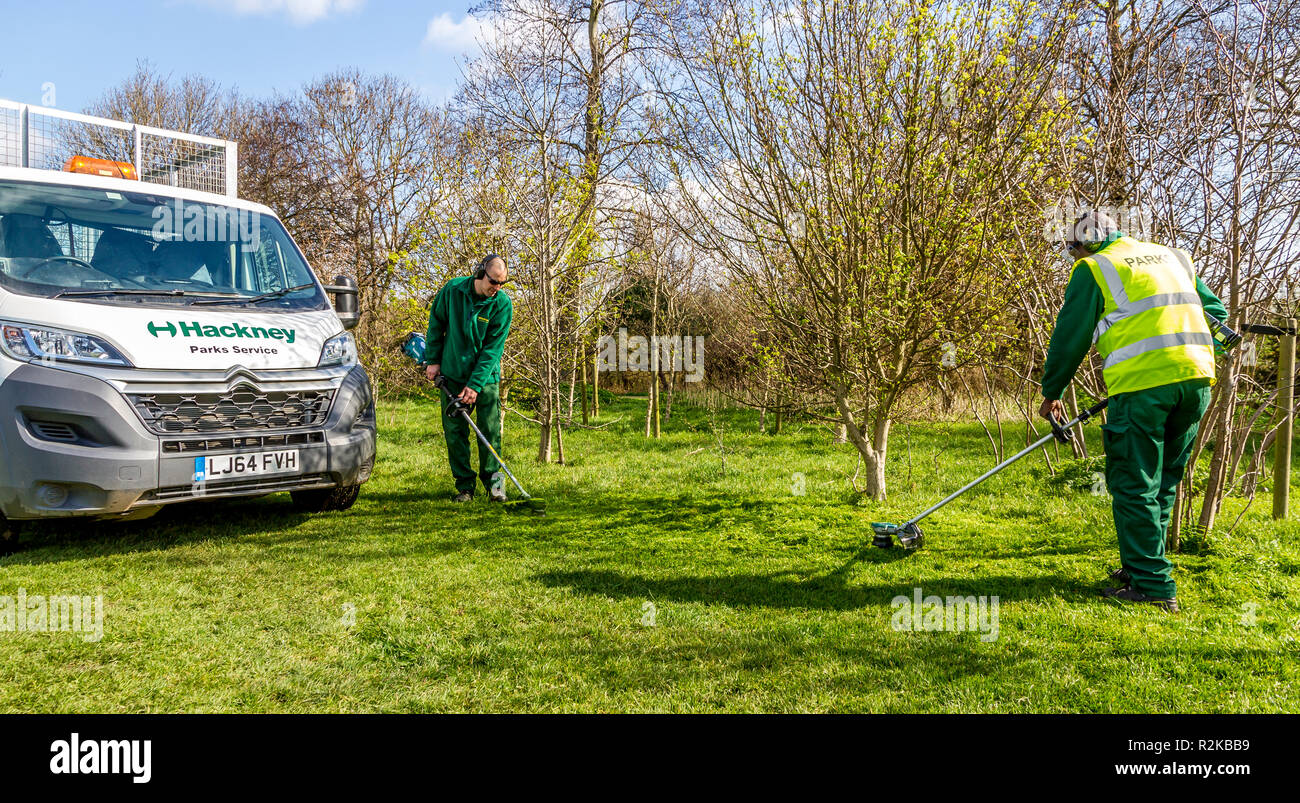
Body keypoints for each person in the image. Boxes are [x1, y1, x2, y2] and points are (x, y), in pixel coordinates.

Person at [1039, 211, 1227, 613]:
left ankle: (1154, 585)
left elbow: (1070, 336)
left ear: (1084, 243)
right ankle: (1140, 567)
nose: (1071, 257)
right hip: (1196, 383)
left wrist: (1052, 391)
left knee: (1133, 482)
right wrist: (1190, 361)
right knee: (1163, 483)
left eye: (1070, 249)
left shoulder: (1095, 268)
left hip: (1142, 389)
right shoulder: (1173, 257)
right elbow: (1218, 317)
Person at [423, 254, 513, 502]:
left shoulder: (502, 305)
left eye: (501, 283)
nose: (496, 288)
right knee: (455, 433)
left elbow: (492, 350)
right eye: (493, 282)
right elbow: (436, 324)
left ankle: (495, 487)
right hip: (451, 374)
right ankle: (465, 488)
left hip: (485, 379)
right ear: (479, 273)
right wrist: (433, 360)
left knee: (490, 433)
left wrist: (475, 385)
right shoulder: (453, 291)